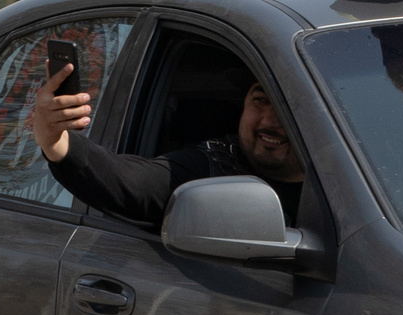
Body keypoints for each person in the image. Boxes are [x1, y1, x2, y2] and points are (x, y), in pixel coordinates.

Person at [27, 57, 304, 228]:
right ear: (243, 104)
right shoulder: (213, 168)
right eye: (260, 100)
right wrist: (56, 141)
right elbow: (132, 183)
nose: (269, 120)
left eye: (286, 108)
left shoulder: (342, 181)